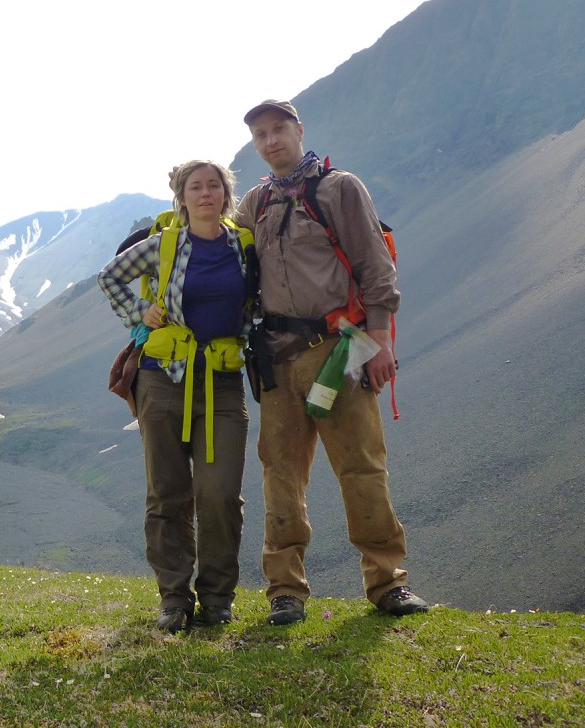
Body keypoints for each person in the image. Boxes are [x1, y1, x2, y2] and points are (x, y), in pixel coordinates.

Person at [234, 99, 429, 626]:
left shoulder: (340, 188)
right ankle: (285, 589)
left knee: (361, 466)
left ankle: (387, 582)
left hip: (338, 349)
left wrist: (381, 342)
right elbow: (215, 246)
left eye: (278, 129)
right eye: (260, 134)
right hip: (275, 359)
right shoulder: (254, 202)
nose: (271, 140)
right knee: (280, 474)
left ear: (299, 130)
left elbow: (375, 266)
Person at [98, 160, 254, 632]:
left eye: (214, 186)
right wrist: (138, 311)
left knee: (220, 493)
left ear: (226, 195)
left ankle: (217, 597)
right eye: (195, 187)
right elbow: (109, 277)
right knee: (167, 493)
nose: (205, 194)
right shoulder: (163, 245)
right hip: (162, 378)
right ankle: (173, 598)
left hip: (222, 381)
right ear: (181, 197)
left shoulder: (244, 247)